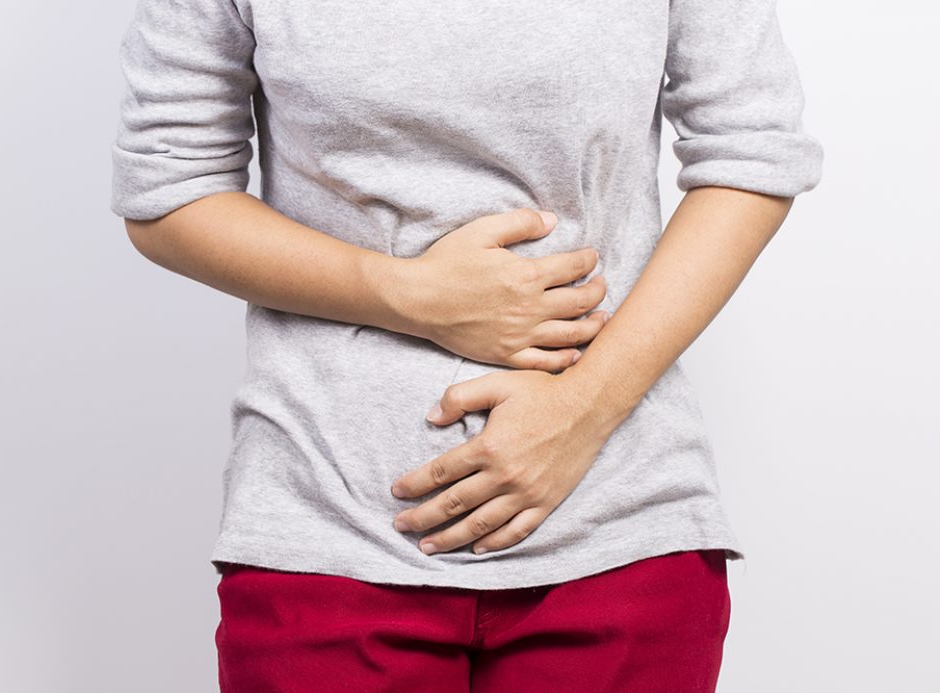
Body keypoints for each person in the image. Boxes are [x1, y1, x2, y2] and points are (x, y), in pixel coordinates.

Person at [109, 0, 823, 690]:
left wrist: (582, 409)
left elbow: (752, 151)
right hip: (329, 519)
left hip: (617, 519)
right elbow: (169, 188)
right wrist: (410, 295)